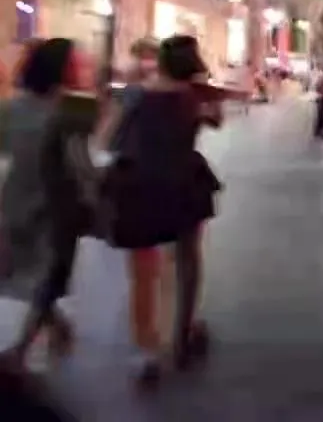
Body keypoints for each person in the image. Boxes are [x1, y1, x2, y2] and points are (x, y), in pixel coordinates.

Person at [101, 35, 221, 385]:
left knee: (142, 271)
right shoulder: (195, 95)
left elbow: (106, 139)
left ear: (163, 61)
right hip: (184, 181)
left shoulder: (136, 93)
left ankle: (145, 351)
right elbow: (216, 120)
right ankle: (182, 337)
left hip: (138, 184)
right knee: (188, 259)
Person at [0, 39, 95, 370]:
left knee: (30, 272)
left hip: (16, 199)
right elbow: (80, 163)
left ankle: (27, 347)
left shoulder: (10, 108)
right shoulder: (71, 112)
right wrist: (97, 188)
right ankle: (30, 345)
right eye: (79, 63)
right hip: (55, 206)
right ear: (63, 70)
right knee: (47, 276)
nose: (85, 68)